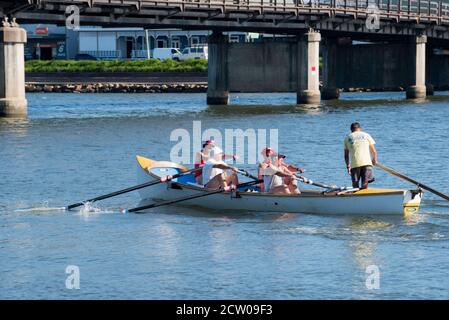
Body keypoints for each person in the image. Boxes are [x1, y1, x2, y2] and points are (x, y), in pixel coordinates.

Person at [344, 122, 378, 189]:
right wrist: (374, 160)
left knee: (355, 185)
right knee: (365, 183)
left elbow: (346, 155)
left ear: (351, 130)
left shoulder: (347, 138)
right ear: (360, 129)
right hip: (367, 163)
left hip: (355, 164)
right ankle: (364, 196)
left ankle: (356, 197)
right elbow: (374, 151)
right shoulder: (366, 135)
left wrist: (348, 166)